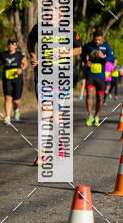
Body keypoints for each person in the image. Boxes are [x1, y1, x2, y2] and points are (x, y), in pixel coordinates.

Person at [27, 21, 82, 164]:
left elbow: (79, 49)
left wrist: (67, 52)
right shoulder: (39, 27)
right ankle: (42, 153)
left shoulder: (68, 29)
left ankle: (60, 142)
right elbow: (30, 41)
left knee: (57, 116)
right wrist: (33, 56)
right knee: (45, 114)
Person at [81, 28, 115, 126]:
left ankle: (97, 116)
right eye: (95, 40)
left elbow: (112, 59)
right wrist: (85, 61)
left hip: (101, 76)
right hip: (90, 74)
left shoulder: (106, 47)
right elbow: (82, 52)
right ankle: (90, 115)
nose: (97, 42)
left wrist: (103, 57)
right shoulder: (89, 45)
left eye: (99, 40)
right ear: (93, 38)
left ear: (102, 39)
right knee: (89, 94)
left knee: (100, 98)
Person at [0, 38, 28, 124]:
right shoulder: (3, 54)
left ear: (16, 45)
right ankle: (7, 117)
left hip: (17, 79)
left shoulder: (19, 54)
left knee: (16, 101)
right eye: (9, 43)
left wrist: (21, 69)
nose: (11, 45)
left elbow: (25, 64)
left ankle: (16, 109)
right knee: (7, 97)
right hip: (7, 79)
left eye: (13, 43)